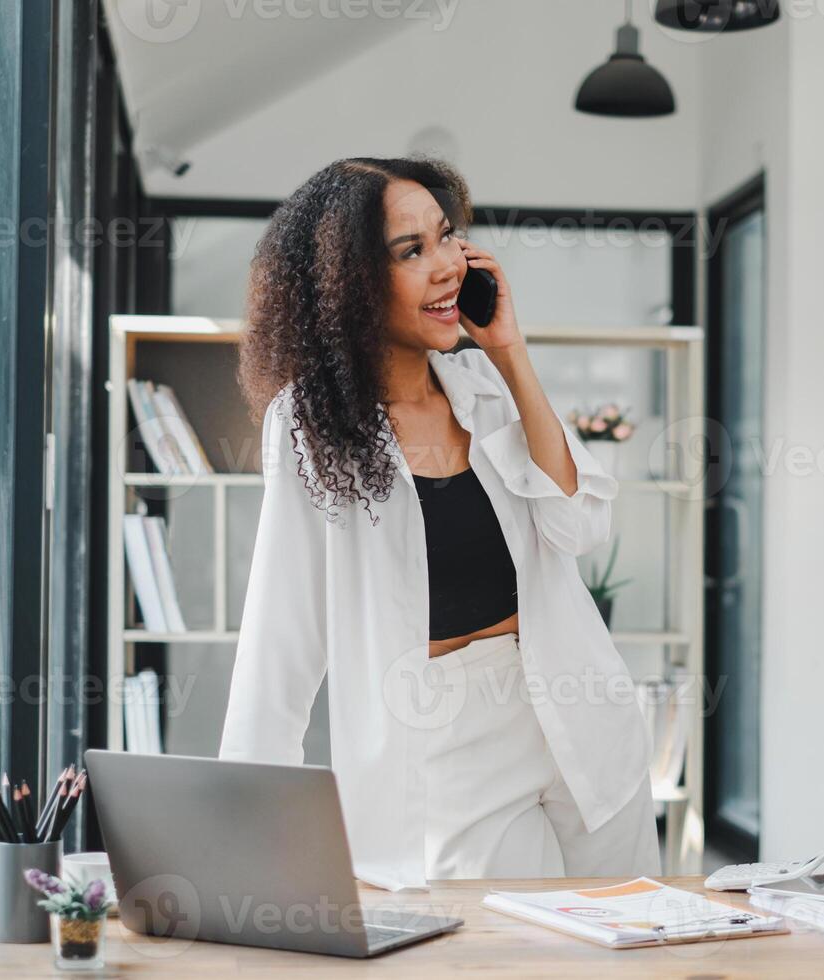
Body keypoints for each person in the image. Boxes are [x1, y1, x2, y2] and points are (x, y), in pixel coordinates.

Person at [219, 156, 660, 891]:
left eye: (447, 236)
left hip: (576, 708)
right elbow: (282, 644)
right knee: (500, 960)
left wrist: (511, 354)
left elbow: (579, 526)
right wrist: (241, 841)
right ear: (351, 284)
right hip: (449, 746)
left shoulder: (481, 382)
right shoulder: (307, 425)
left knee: (623, 944)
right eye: (411, 250)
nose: (448, 264)